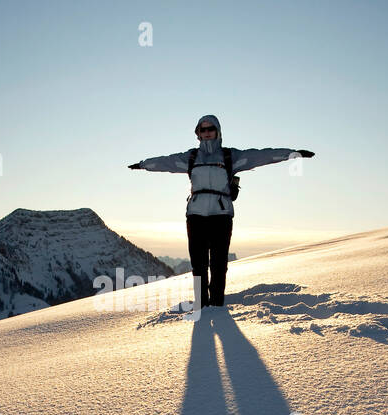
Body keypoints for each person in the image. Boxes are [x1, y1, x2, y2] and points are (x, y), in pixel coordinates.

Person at [128, 114, 314, 311]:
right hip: (195, 216)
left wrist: (293, 154)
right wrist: (143, 164)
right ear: (198, 134)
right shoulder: (191, 157)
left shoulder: (230, 157)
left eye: (211, 129)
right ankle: (201, 304)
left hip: (221, 216)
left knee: (219, 263)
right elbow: (166, 162)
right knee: (198, 265)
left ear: (217, 132)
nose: (207, 133)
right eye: (203, 130)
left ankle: (216, 306)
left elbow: (262, 156)